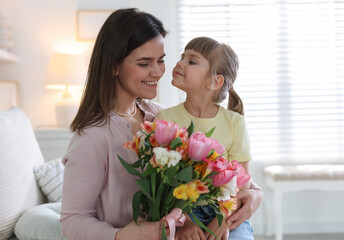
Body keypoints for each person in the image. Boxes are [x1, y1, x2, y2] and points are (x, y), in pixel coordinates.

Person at [59, 8, 263, 240]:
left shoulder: (158, 115)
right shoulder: (93, 136)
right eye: (145, 63)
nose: (158, 72)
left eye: (161, 60)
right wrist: (122, 235)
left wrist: (256, 193)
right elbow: (72, 220)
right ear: (114, 65)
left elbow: (217, 170)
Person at [155, 37, 258, 240]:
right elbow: (161, 181)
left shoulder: (234, 123)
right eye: (182, 57)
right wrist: (185, 221)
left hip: (226, 212)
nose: (180, 63)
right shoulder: (165, 119)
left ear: (214, 81)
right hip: (181, 212)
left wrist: (222, 222)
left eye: (192, 61)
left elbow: (241, 184)